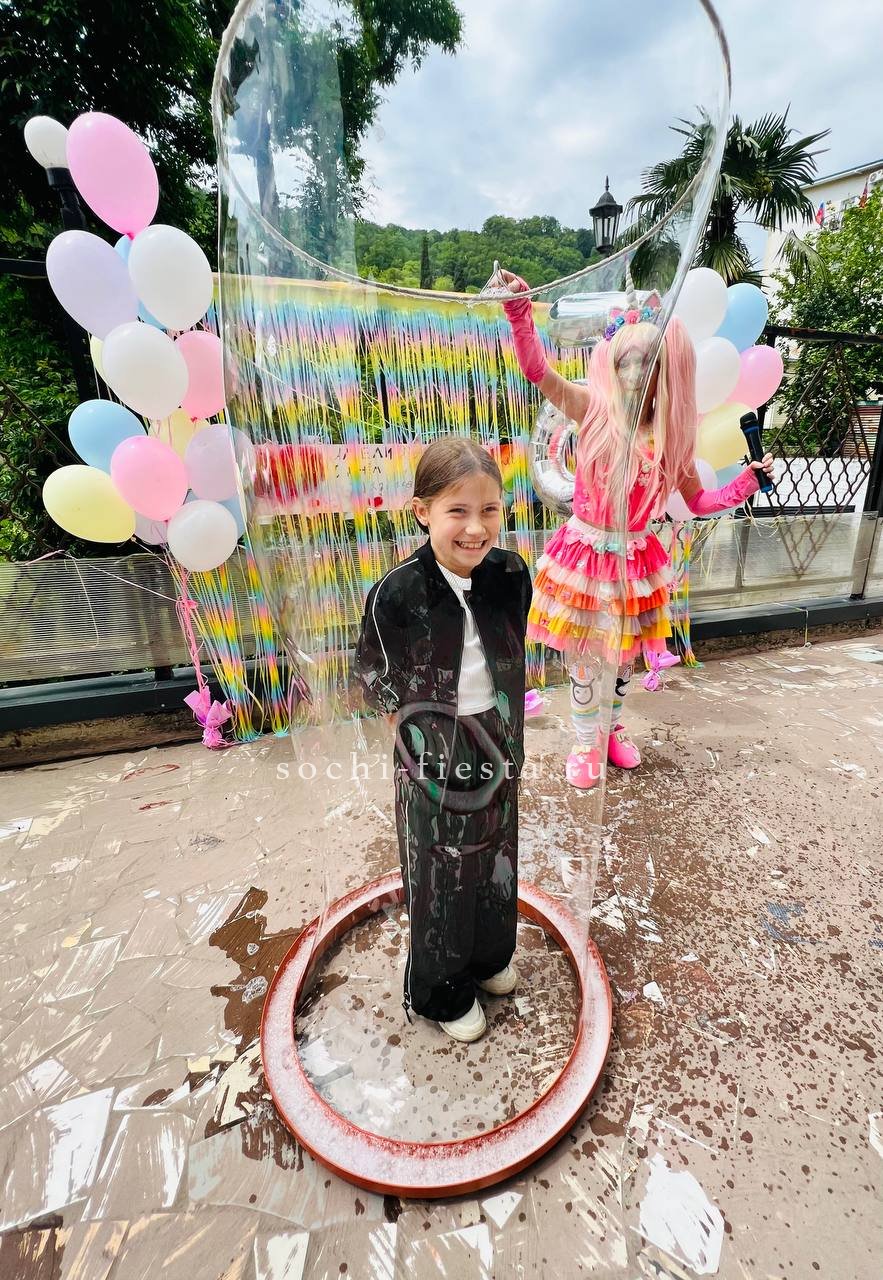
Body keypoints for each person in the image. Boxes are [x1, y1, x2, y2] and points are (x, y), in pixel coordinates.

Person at [500, 270, 775, 790]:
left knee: (623, 656)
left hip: (637, 558)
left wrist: (745, 483)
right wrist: (519, 310)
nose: (633, 373)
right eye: (624, 361)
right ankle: (585, 740)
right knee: (587, 657)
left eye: (645, 362)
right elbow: (538, 371)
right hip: (586, 556)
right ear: (611, 364)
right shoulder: (591, 410)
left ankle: (609, 731)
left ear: (664, 370)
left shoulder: (671, 437)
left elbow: (699, 500)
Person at [354, 437, 532, 1043]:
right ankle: (440, 988)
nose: (475, 528)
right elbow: (374, 679)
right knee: (441, 869)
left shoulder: (511, 575)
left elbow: (513, 648)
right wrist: (418, 753)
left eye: (489, 510)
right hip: (431, 749)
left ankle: (488, 956)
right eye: (458, 511)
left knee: (497, 852)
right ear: (422, 512)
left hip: (497, 739)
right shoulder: (398, 593)